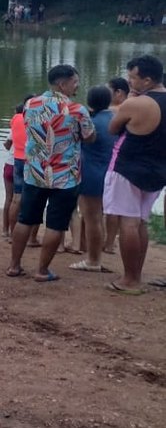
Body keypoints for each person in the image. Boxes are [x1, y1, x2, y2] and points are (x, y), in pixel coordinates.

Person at [7, 65, 95, 283]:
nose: (77, 85)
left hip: (35, 173)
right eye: (75, 81)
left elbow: (30, 128)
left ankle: (14, 266)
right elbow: (90, 136)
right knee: (56, 224)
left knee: (25, 220)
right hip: (65, 177)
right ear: (62, 84)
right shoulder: (77, 110)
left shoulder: (30, 104)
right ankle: (42, 270)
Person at [105, 55, 166, 294]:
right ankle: (135, 274)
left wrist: (129, 101)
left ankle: (130, 280)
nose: (129, 82)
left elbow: (112, 128)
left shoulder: (137, 104)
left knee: (128, 223)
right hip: (158, 169)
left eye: (133, 78)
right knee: (141, 221)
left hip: (128, 167)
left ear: (148, 80)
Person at [67, 86, 116, 273]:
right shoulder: (113, 119)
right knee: (99, 215)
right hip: (110, 173)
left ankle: (93, 261)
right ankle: (94, 253)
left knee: (92, 217)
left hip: (91, 174)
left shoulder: (91, 122)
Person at [102, 78, 130, 254]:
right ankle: (112, 242)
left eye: (108, 91)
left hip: (111, 163)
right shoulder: (139, 109)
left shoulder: (114, 111)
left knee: (110, 206)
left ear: (119, 93)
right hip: (129, 163)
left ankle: (108, 243)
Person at [2, 96, 32, 244]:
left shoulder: (15, 120)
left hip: (11, 163)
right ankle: (29, 236)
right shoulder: (34, 121)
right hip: (26, 162)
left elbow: (8, 144)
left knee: (11, 199)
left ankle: (6, 231)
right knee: (27, 201)